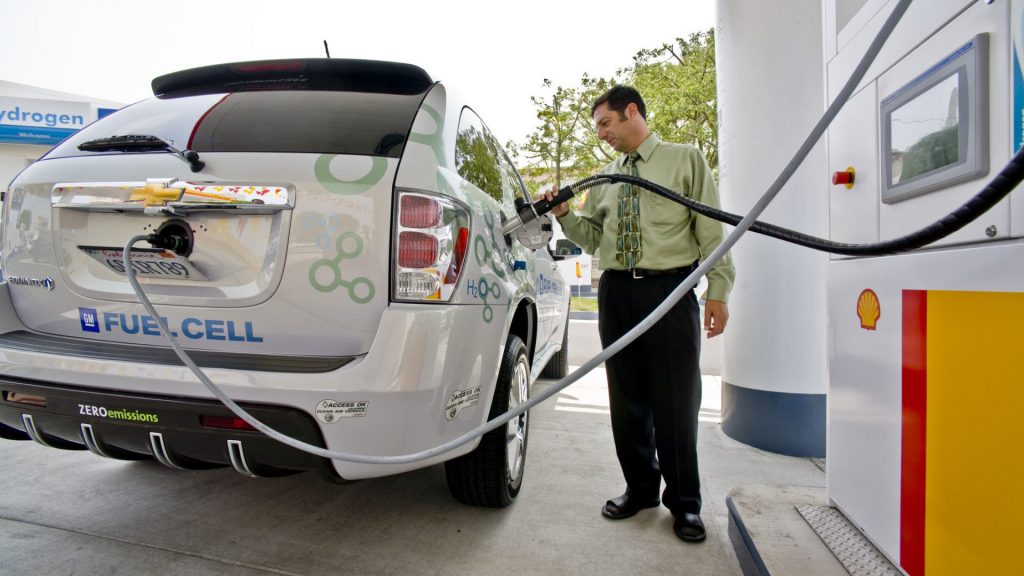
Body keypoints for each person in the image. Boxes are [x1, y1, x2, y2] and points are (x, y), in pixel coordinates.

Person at [544, 85, 734, 543]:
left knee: (676, 401)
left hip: (670, 290)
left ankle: (685, 503)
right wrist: (566, 214)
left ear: (632, 111)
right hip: (616, 292)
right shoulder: (605, 177)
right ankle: (641, 489)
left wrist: (719, 289)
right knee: (626, 399)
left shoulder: (685, 159)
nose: (601, 134)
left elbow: (710, 228)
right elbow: (593, 238)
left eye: (605, 123)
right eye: (597, 128)